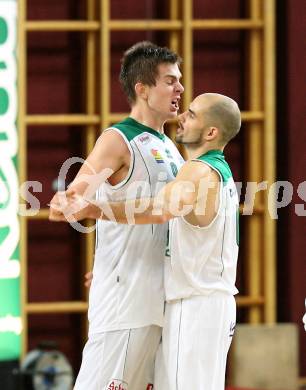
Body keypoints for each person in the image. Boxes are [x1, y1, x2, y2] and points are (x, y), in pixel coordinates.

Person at [51, 92, 241, 389]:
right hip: (210, 303)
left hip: (196, 304)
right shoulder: (218, 170)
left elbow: (157, 209)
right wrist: (118, 266)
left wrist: (92, 208)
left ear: (211, 132)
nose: (182, 117)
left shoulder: (197, 171)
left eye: (191, 115)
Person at [49, 41, 184, 390]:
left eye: (179, 80)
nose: (180, 88)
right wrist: (67, 202)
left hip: (158, 295)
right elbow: (78, 193)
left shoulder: (169, 144)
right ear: (142, 89)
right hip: (126, 300)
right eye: (170, 80)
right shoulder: (118, 139)